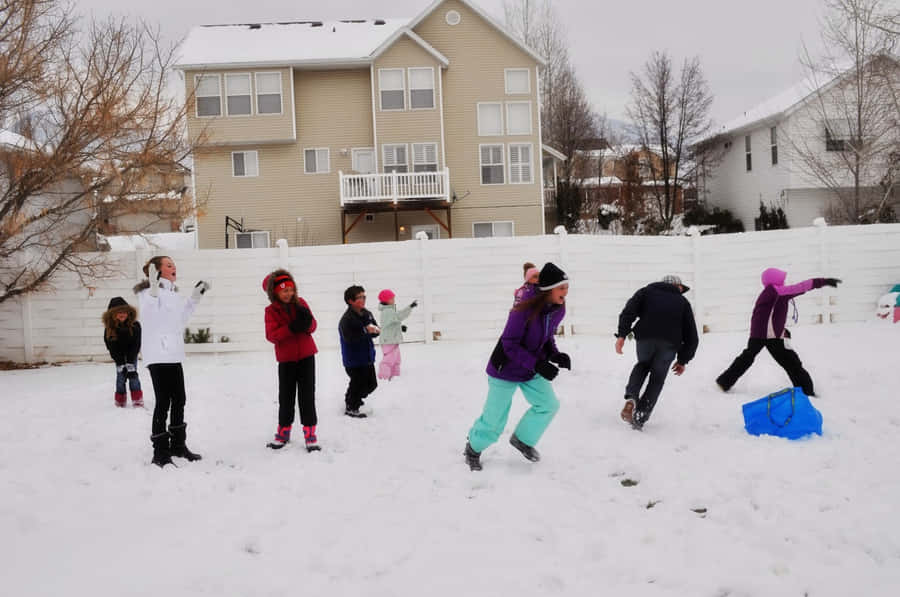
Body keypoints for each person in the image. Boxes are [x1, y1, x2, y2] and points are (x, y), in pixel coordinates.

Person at [464, 262, 571, 471]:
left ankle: (522, 439)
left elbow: (547, 336)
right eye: (562, 287)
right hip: (505, 369)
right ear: (548, 289)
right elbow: (509, 344)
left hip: (531, 368)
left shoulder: (558, 309)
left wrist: (555, 355)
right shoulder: (523, 310)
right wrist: (539, 364)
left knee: (548, 405)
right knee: (494, 421)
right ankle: (473, 448)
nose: (566, 292)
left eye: (567, 287)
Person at [134, 255, 210, 467]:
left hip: (174, 353)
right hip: (157, 355)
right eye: (168, 265)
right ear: (155, 270)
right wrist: (153, 288)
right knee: (163, 402)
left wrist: (195, 297)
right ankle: (160, 452)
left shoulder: (172, 294)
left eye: (174, 264)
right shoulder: (145, 292)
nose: (173, 267)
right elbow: (149, 314)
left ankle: (178, 445)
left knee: (179, 399)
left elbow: (180, 320)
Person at [716, 268, 841, 397]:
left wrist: (781, 330)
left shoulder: (770, 292)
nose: (784, 282)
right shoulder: (776, 291)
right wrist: (823, 282)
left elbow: (769, 316)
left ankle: (724, 381)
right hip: (770, 336)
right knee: (791, 362)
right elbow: (800, 287)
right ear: (774, 281)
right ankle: (806, 391)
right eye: (782, 279)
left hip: (761, 334)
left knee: (748, 357)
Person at [615, 275, 699, 430]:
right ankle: (640, 416)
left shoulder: (646, 292)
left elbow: (628, 311)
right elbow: (692, 335)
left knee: (642, 365)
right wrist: (683, 360)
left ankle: (631, 398)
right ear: (677, 286)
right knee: (658, 378)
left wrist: (622, 335)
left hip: (645, 338)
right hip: (669, 344)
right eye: (681, 288)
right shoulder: (683, 302)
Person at [263, 270, 320, 451]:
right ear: (275, 293)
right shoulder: (271, 311)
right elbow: (271, 335)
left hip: (306, 357)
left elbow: (313, 326)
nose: (289, 294)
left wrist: (307, 323)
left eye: (291, 289)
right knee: (286, 397)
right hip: (286, 360)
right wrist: (291, 328)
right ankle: (283, 432)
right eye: (284, 291)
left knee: (307, 396)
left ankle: (310, 434)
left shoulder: (301, 303)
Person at [339, 285, 380, 418]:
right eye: (359, 298)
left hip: (367, 356)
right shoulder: (347, 319)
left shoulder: (366, 313)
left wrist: (375, 331)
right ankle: (351, 406)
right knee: (358, 382)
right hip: (354, 360)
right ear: (350, 301)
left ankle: (352, 398)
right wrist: (365, 331)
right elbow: (350, 338)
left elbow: (374, 329)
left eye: (364, 297)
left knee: (372, 384)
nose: (363, 300)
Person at [101, 296, 143, 408]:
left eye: (124, 311)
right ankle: (120, 401)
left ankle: (137, 400)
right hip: (119, 356)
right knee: (121, 377)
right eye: (118, 312)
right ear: (112, 314)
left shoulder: (135, 326)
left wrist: (129, 363)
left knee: (133, 376)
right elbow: (111, 346)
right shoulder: (110, 329)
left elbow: (136, 344)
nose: (122, 314)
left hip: (131, 355)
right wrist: (120, 362)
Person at [376, 289, 417, 381]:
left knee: (396, 359)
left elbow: (390, 323)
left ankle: (394, 376)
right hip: (388, 341)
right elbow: (399, 316)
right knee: (389, 359)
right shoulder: (388, 311)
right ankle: (383, 377)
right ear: (386, 300)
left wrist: (400, 327)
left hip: (391, 339)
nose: (394, 300)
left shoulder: (389, 310)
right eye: (392, 298)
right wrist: (410, 307)